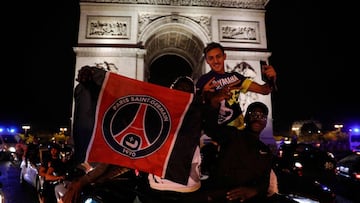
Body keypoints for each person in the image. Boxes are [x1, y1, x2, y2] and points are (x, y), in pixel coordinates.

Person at [141, 76, 203, 203]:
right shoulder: (155, 111)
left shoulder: (201, 111)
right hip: (158, 183)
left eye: (188, 90)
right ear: (171, 90)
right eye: (180, 89)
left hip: (187, 184)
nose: (183, 92)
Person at [196, 42, 276, 131]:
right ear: (206, 60)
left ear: (224, 56)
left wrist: (271, 78)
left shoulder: (236, 77)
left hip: (237, 130)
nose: (215, 61)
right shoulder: (203, 80)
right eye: (211, 58)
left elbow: (264, 90)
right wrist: (203, 93)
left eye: (218, 56)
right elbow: (194, 106)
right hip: (215, 131)